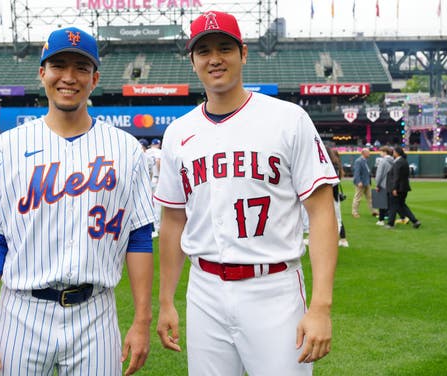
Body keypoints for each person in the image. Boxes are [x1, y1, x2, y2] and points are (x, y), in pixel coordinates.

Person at [154, 11, 339, 375]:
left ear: (243, 53)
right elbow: (174, 220)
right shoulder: (178, 133)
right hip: (204, 288)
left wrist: (320, 307)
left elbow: (321, 212)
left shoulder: (288, 118)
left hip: (274, 287)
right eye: (203, 51)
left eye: (225, 47)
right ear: (193, 61)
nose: (215, 58)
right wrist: (165, 301)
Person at [0, 27, 156, 376]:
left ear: (95, 78)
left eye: (81, 68)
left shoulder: (127, 150)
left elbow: (140, 238)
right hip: (22, 311)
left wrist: (142, 320)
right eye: (58, 66)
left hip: (96, 312)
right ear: (42, 73)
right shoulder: (6, 148)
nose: (68, 77)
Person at [384, 147, 421, 229]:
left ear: (397, 153)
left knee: (393, 205)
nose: (393, 154)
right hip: (404, 188)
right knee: (402, 205)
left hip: (398, 188)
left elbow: (396, 177)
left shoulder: (398, 162)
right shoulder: (404, 161)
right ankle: (415, 221)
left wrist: (394, 188)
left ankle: (390, 224)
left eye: (394, 152)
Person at [328, 147, 349, 247]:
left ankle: (341, 239)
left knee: (337, 219)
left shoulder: (333, 166)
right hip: (331, 195)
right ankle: (342, 239)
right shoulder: (335, 165)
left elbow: (333, 182)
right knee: (335, 218)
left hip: (332, 196)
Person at [351, 148, 376, 218]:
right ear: (363, 153)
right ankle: (354, 212)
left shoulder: (365, 161)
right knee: (358, 198)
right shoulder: (358, 161)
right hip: (361, 182)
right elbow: (356, 172)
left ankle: (373, 211)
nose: (369, 154)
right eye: (368, 152)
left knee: (370, 198)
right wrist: (358, 181)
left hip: (367, 182)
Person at [145, 138, 162, 238]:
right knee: (157, 205)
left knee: (148, 204)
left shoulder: (146, 152)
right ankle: (156, 228)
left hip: (148, 179)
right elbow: (159, 162)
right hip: (156, 179)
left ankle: (150, 227)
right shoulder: (159, 152)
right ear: (158, 144)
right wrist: (160, 175)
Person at [373, 146, 393, 226]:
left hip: (382, 184)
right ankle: (389, 217)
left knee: (381, 203)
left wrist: (377, 184)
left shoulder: (383, 161)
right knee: (390, 203)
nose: (380, 153)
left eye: (381, 151)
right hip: (391, 184)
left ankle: (381, 220)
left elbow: (379, 174)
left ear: (385, 152)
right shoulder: (393, 160)